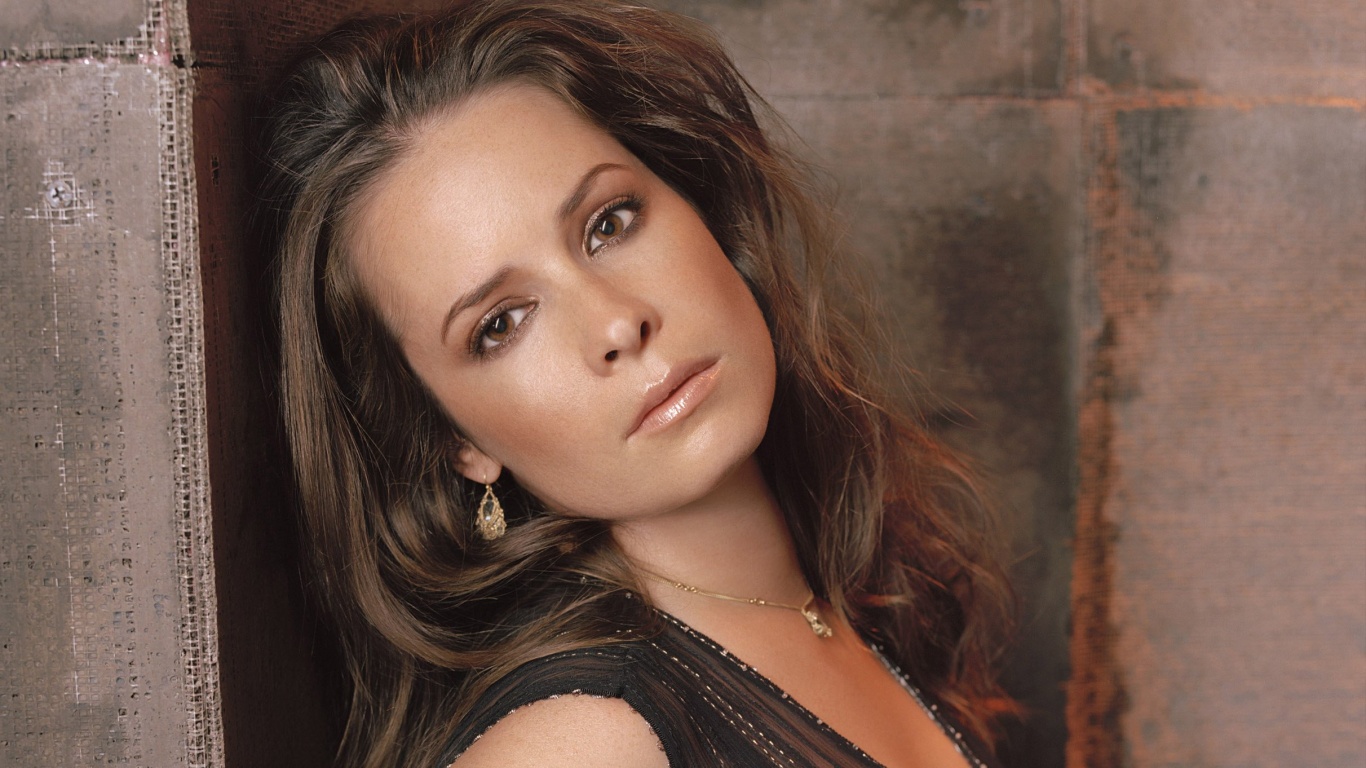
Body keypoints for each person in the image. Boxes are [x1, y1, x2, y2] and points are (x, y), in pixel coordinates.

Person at [260, 1, 1015, 766]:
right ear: (457, 441)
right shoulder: (582, 743)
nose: (618, 323)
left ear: (701, 207)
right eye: (502, 323)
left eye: (609, 224)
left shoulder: (849, 592)